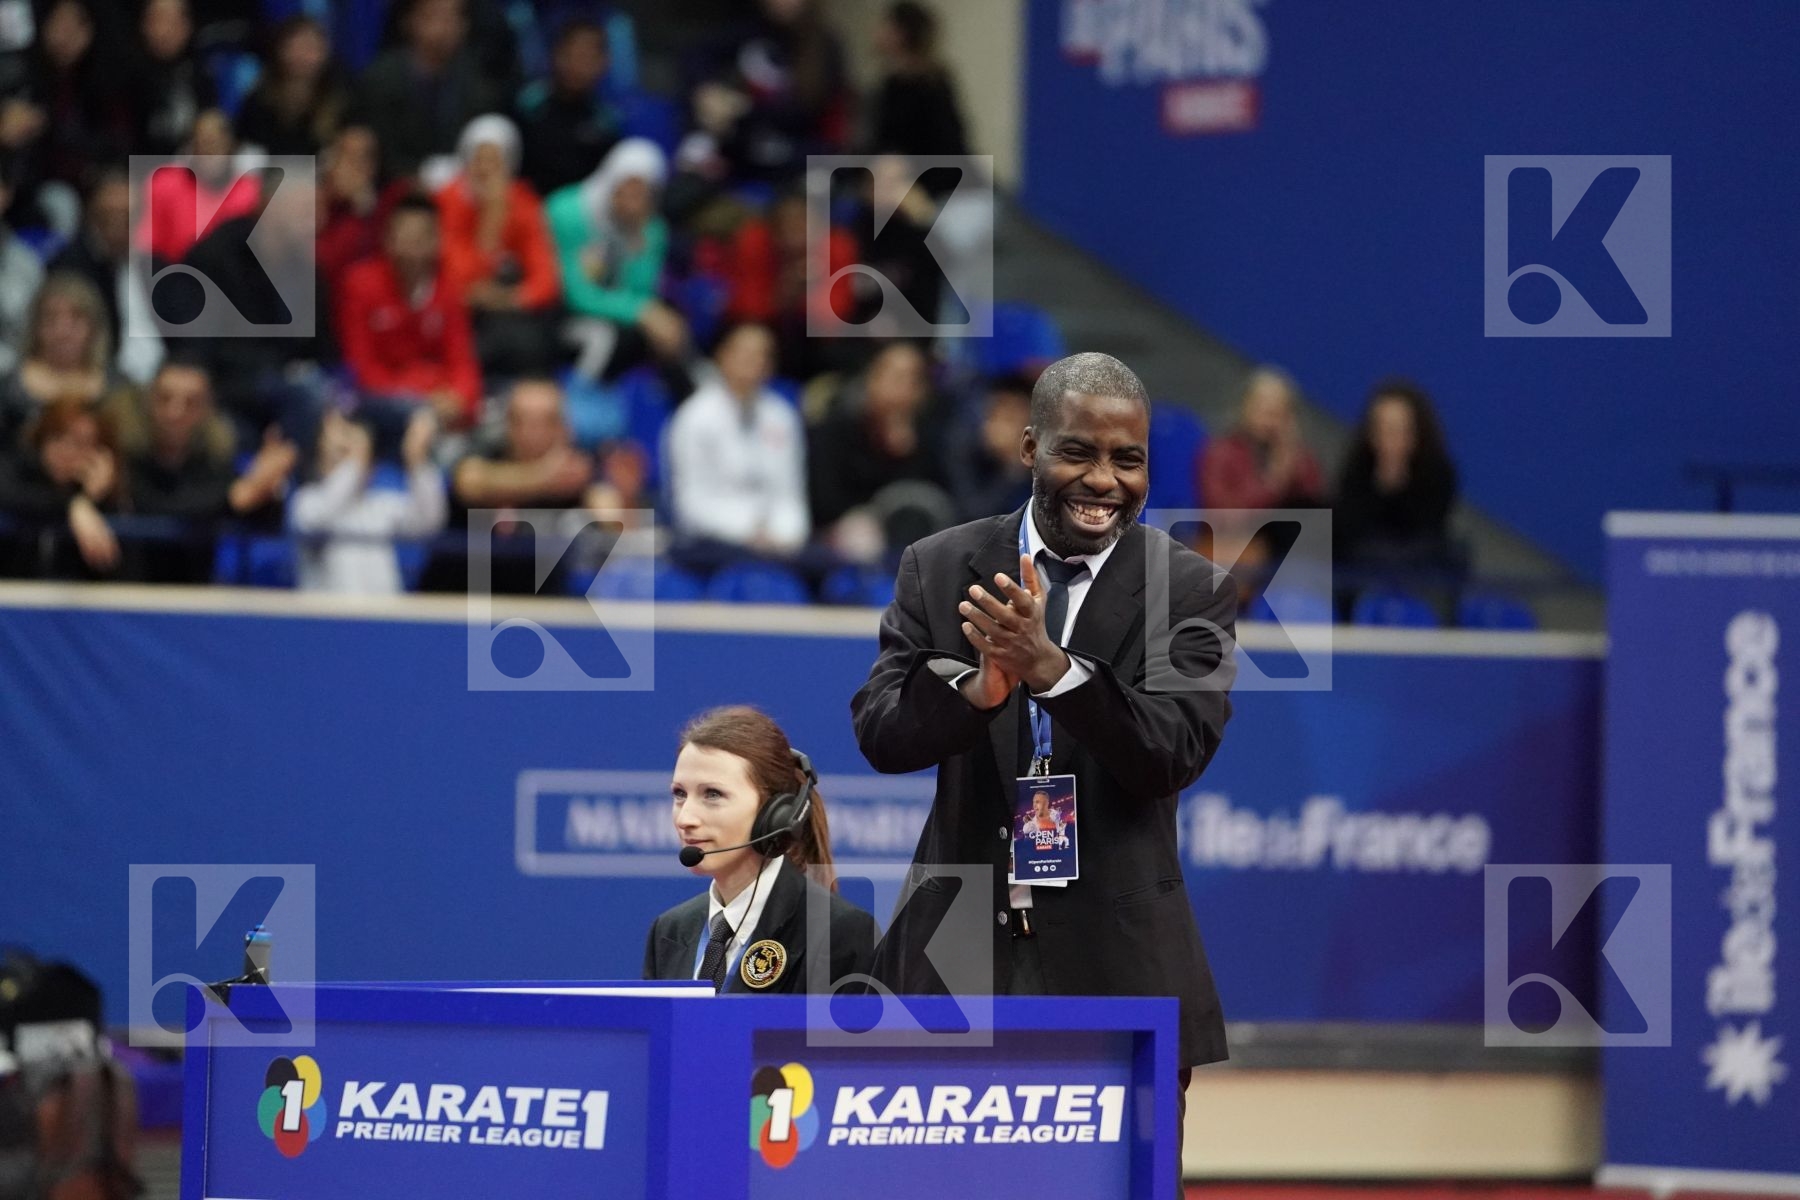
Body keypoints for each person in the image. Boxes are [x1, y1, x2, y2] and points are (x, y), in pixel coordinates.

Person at [850, 351, 1236, 1183]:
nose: (1104, 481)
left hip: (1117, 962)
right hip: (951, 957)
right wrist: (978, 694)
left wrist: (1052, 671)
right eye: (1079, 453)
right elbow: (880, 733)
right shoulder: (941, 564)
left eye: (1127, 459)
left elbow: (1171, 751)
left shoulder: (1191, 590)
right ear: (1029, 449)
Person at [644, 705, 878, 994]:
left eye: (713, 794)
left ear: (776, 814)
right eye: (680, 794)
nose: (685, 819)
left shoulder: (838, 932)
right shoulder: (670, 930)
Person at [121, 359, 297, 583]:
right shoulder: (126, 459)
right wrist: (236, 497)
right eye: (165, 398)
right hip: (126, 600)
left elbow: (261, 516)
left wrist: (268, 489)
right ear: (149, 401)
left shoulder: (214, 464)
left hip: (197, 602)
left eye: (190, 403)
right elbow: (158, 505)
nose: (175, 412)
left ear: (206, 409)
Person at [335, 192, 483, 432]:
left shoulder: (449, 291)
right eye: (404, 233)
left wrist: (459, 397)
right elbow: (362, 365)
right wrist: (418, 395)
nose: (412, 243)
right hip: (382, 404)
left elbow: (462, 361)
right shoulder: (359, 285)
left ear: (437, 240)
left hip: (439, 404)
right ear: (387, 238)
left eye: (422, 235)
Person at [547, 137, 686, 385]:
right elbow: (575, 293)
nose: (633, 199)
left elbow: (640, 291)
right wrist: (642, 312)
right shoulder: (567, 212)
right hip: (559, 312)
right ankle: (581, 399)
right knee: (606, 338)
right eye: (626, 187)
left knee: (671, 333)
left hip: (614, 314)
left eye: (643, 191)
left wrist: (635, 243)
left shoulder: (651, 229)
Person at [434, 115, 561, 377]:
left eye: (495, 161)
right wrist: (491, 223)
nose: (486, 171)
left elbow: (547, 280)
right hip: (455, 309)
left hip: (506, 307)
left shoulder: (525, 204)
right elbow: (458, 278)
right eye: (479, 159)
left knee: (531, 338)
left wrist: (508, 299)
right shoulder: (445, 201)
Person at [665, 323, 808, 555]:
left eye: (763, 355)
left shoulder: (782, 416)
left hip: (777, 546)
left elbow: (791, 495)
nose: (755, 361)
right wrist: (747, 530)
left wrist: (786, 534)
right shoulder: (695, 417)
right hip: (711, 546)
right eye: (745, 353)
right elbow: (690, 503)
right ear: (722, 356)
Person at [808, 340, 950, 558]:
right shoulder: (836, 427)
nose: (903, 388)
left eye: (913, 380)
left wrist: (906, 453)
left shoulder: (932, 435)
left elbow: (934, 499)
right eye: (895, 376)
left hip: (910, 534)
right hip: (845, 533)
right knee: (862, 535)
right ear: (871, 378)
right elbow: (826, 503)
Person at [1333, 378, 1462, 610]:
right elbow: (1348, 530)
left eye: (1399, 429)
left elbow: (1430, 528)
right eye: (1383, 428)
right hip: (1365, 568)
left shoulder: (1438, 472)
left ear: (1416, 432)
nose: (1391, 438)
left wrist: (1399, 485)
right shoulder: (1356, 469)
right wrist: (1381, 486)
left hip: (1420, 569)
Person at [1199, 366, 1326, 603]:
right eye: (1262, 406)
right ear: (1244, 407)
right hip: (1234, 546)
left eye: (1279, 410)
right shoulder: (1220, 453)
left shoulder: (1298, 458)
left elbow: (1316, 506)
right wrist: (1273, 482)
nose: (1270, 416)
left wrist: (1292, 460)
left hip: (1287, 551)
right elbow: (1223, 517)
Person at [290, 407, 445, 594]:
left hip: (383, 617)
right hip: (329, 619)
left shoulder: (379, 505)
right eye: (342, 436)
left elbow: (429, 522)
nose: (350, 443)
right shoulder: (306, 501)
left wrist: (416, 457)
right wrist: (357, 454)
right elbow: (326, 510)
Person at [356, 0, 502, 182]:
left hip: (459, 191)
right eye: (435, 15)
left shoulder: (479, 84)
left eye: (453, 16)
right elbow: (379, 151)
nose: (445, 26)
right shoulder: (381, 80)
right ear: (409, 21)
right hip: (392, 189)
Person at [0, 271, 133, 447]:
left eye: (76, 319)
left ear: (94, 328)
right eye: (51, 319)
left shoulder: (119, 389)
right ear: (35, 327)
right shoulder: (8, 388)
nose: (62, 332)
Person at [0, 396, 124, 579]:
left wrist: (91, 500)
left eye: (80, 443)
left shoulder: (116, 497)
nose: (66, 451)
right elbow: (12, 496)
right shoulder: (18, 473)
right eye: (57, 437)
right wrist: (73, 505)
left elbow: (114, 572)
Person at [514, 16, 621, 198]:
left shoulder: (607, 122)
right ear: (556, 54)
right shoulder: (527, 105)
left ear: (604, 63)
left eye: (588, 57)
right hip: (525, 207)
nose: (578, 64)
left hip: (579, 216)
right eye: (572, 53)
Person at [864, 1, 969, 167]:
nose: (875, 32)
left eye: (884, 26)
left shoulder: (931, 85)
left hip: (933, 178)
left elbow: (947, 145)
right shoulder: (890, 84)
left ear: (900, 34)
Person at [233, 15, 349, 158]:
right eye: (295, 47)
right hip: (269, 175)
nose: (302, 56)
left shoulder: (341, 100)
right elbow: (245, 148)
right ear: (280, 50)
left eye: (311, 48)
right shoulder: (259, 101)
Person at [129, 0, 215, 156]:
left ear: (188, 26)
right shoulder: (126, 78)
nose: (165, 30)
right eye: (158, 19)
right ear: (143, 25)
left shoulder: (202, 75)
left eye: (174, 20)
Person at [946, 373, 1034, 521]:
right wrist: (1011, 468)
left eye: (1011, 418)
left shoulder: (1048, 455)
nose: (1002, 427)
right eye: (994, 416)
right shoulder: (964, 452)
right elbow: (973, 515)